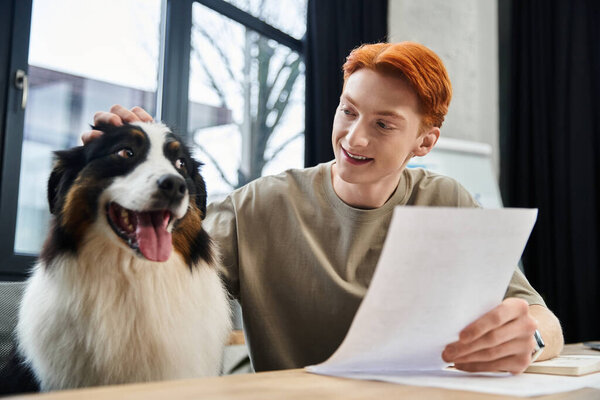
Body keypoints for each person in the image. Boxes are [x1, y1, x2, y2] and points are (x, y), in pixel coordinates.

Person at [85, 42, 563, 374]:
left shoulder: (449, 201)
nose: (354, 137)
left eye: (383, 124)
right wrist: (130, 169)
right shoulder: (258, 206)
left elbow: (544, 320)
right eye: (349, 111)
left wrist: (531, 340)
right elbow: (152, 272)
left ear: (424, 140)